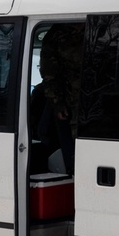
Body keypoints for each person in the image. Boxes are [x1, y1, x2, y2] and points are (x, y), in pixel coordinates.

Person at [38, 23, 84, 174]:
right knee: (76, 155)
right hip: (71, 103)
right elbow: (49, 75)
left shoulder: (103, 27)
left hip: (98, 101)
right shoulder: (56, 35)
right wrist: (58, 104)